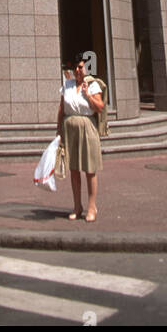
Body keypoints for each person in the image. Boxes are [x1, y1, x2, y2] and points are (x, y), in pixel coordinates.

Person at [56, 57, 103, 222]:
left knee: (90, 169)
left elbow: (100, 107)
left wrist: (87, 95)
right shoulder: (67, 84)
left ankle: (92, 206)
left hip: (87, 126)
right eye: (76, 67)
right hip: (70, 128)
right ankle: (77, 206)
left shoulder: (92, 85)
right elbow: (62, 109)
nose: (78, 70)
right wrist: (58, 131)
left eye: (81, 67)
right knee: (74, 169)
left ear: (86, 69)